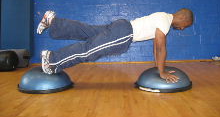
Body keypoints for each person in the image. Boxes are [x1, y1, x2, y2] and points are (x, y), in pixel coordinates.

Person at [37, 8, 193, 83]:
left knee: (88, 31)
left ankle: (53, 22)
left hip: (122, 26)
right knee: (89, 50)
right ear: (184, 20)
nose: (183, 28)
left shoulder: (163, 16)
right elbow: (160, 48)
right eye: (186, 25)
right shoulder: (165, 23)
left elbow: (155, 47)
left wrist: (159, 68)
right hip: (124, 34)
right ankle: (52, 60)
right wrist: (162, 72)